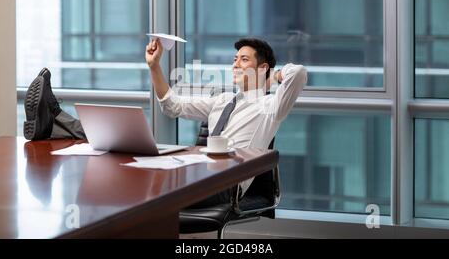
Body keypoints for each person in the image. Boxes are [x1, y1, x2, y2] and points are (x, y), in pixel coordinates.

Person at [23, 37, 307, 206]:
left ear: (263, 67)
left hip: (224, 186)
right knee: (122, 145)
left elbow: (300, 74)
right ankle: (56, 119)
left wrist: (273, 78)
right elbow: (171, 104)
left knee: (135, 175)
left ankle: (55, 120)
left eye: (244, 60)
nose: (235, 64)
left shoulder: (271, 106)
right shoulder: (223, 100)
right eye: (235, 59)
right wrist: (154, 66)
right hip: (197, 172)